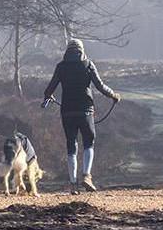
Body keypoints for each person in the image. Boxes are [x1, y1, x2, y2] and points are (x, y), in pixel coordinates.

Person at [42, 38, 120, 191]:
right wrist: (113, 95)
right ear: (81, 50)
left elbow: (48, 90)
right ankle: (87, 176)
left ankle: (73, 183)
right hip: (85, 110)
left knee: (71, 145)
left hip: (67, 111)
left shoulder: (61, 67)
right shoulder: (88, 65)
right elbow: (100, 86)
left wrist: (48, 96)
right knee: (88, 143)